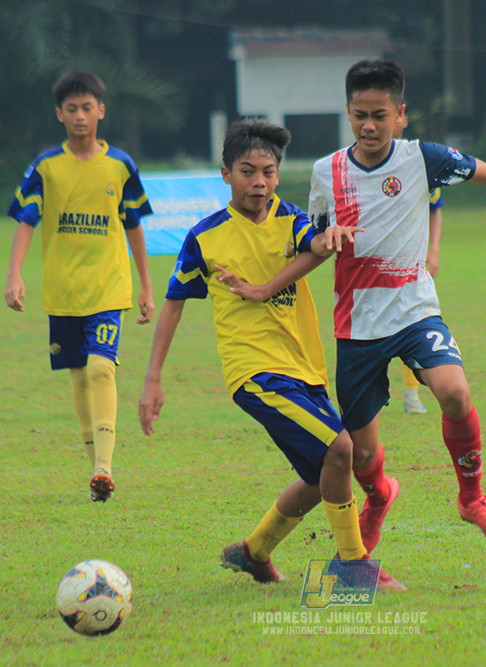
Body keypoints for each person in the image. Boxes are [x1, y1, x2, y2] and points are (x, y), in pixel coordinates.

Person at [232, 59, 486, 555]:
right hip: (357, 326)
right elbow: (314, 241)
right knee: (362, 455)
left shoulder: (425, 158)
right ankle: (379, 497)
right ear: (348, 113)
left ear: (401, 114)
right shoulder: (325, 172)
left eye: (380, 114)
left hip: (416, 312)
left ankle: (473, 498)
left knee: (455, 393)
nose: (369, 125)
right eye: (359, 115)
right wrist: (293, 265)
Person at [137, 118, 404, 590]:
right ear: (225, 174)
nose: (258, 181)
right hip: (255, 372)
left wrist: (332, 236)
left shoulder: (292, 216)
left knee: (322, 471)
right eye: (247, 171)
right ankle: (353, 569)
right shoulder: (205, 236)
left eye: (267, 171)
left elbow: (316, 242)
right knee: (340, 449)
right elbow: (175, 304)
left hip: (305, 368)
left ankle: (255, 552)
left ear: (278, 174)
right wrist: (153, 378)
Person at [5, 69, 154, 503]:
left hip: (109, 288)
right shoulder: (46, 167)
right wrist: (15, 274)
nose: (81, 116)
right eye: (72, 109)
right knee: (77, 375)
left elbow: (133, 225)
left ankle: (105, 467)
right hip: (63, 292)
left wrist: (146, 285)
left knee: (101, 368)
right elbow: (26, 221)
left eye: (88, 107)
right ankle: (95, 468)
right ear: (60, 114)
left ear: (100, 111)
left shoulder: (120, 166)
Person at [395, 117, 444, 415]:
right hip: (374, 269)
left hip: (412, 266)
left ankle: (411, 393)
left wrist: (434, 250)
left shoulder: (421, 167)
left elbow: (435, 209)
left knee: (411, 323)